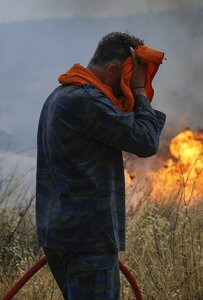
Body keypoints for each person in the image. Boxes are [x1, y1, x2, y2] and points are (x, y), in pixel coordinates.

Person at [35, 32, 166, 299]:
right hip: (89, 240)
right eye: (130, 77)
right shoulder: (88, 102)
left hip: (63, 235)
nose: (131, 84)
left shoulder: (61, 95)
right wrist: (140, 92)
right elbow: (146, 141)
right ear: (113, 70)